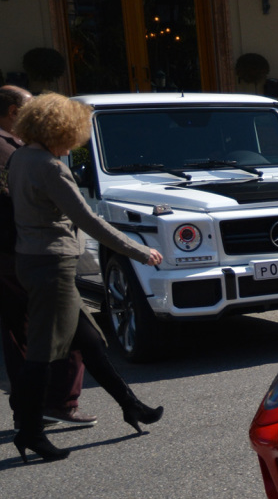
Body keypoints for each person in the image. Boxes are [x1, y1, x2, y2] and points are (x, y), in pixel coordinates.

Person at [8, 93, 164, 462]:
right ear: (61, 128)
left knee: (90, 340)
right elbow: (88, 219)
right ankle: (29, 431)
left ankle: (131, 405)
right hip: (52, 265)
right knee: (44, 353)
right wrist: (139, 250)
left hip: (31, 260)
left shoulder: (19, 157)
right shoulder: (49, 166)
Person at [0, 85, 94, 429]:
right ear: (13, 113)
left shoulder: (20, 151)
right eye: (27, 109)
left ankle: (31, 409)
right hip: (30, 254)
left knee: (23, 336)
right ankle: (56, 404)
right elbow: (81, 215)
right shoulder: (21, 153)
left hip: (19, 255)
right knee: (65, 334)